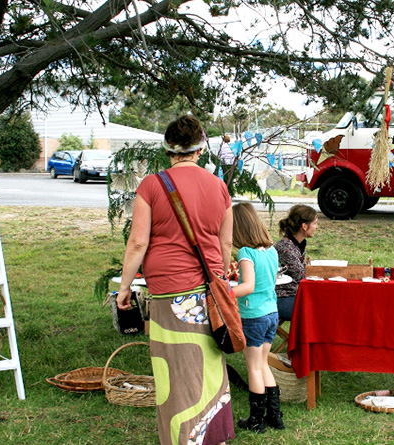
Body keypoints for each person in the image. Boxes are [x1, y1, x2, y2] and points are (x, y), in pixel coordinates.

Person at [116, 115, 234, 445]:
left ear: (168, 148)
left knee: (176, 372)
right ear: (200, 148)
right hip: (208, 294)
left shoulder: (153, 186)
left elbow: (138, 242)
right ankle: (212, 437)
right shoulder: (219, 186)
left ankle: (183, 438)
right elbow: (225, 244)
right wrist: (220, 279)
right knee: (209, 367)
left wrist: (124, 288)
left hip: (170, 293)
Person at [231, 202, 283, 434]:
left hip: (253, 316)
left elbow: (248, 286)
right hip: (272, 313)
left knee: (253, 366)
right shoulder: (271, 250)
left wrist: (225, 293)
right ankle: (274, 417)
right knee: (263, 363)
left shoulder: (246, 252)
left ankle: (256, 420)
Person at [274, 204, 318, 321]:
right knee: (320, 308)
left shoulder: (298, 244)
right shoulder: (285, 247)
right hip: (281, 297)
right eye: (315, 223)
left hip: (295, 294)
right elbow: (302, 275)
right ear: (304, 226)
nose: (317, 227)